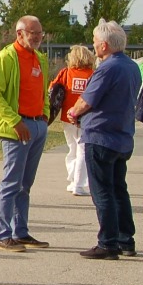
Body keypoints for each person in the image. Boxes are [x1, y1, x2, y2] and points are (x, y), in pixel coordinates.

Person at [66, 22, 142, 260]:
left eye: (95, 41)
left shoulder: (107, 68)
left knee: (102, 191)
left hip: (101, 135)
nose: (93, 46)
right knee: (119, 189)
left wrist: (74, 112)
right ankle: (125, 239)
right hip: (122, 135)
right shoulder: (131, 67)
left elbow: (88, 99)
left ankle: (108, 242)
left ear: (104, 45)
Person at [0, 15, 51, 251]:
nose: (38, 37)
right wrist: (15, 121)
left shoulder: (40, 59)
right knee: (11, 183)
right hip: (16, 128)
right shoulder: (5, 58)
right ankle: (3, 234)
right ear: (19, 34)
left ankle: (20, 232)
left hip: (37, 126)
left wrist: (44, 115)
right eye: (33, 33)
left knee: (25, 184)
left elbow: (43, 91)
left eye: (40, 33)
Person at [51, 45, 96, 197]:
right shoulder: (93, 75)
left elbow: (53, 89)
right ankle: (79, 183)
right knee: (83, 150)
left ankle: (72, 179)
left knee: (73, 149)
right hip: (86, 117)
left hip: (67, 117)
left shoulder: (66, 72)